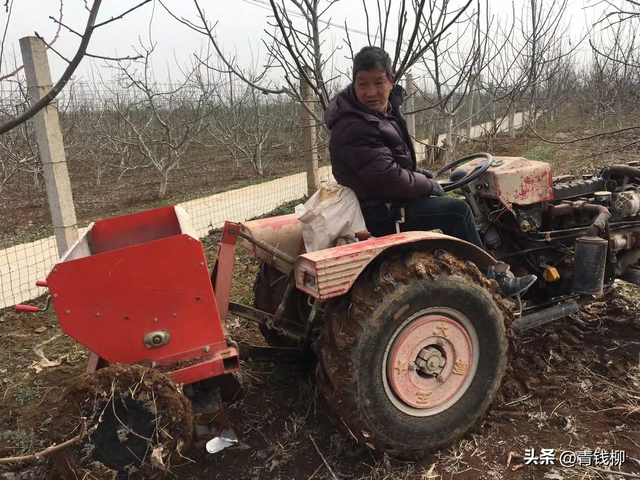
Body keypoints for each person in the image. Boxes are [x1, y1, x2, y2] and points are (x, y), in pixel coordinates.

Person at [324, 45, 537, 297]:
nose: (371, 92)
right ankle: (492, 282)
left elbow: (384, 164)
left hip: (383, 200)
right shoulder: (355, 125)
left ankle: (470, 267)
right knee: (458, 212)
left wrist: (417, 174)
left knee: (450, 204)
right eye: (363, 84)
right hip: (381, 213)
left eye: (378, 82)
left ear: (391, 81)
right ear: (354, 83)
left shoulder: (375, 112)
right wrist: (425, 184)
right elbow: (387, 178)